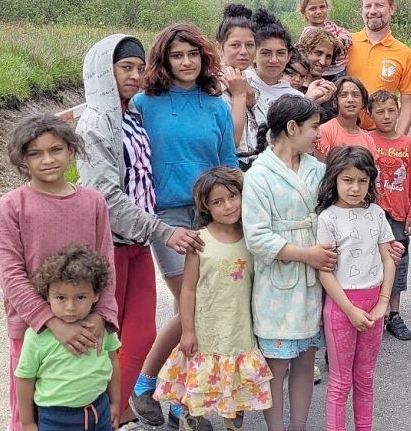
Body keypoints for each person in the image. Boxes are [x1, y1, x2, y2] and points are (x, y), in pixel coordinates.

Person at [76, 34, 204, 428]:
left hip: (136, 242)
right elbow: (107, 197)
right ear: (103, 71)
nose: (133, 75)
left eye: (137, 67)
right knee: (107, 336)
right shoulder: (96, 122)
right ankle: (101, 415)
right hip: (108, 245)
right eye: (124, 68)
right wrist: (162, 230)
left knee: (139, 333)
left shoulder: (130, 114)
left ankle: (113, 410)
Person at [129, 23, 238, 427]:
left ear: (204, 57)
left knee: (193, 306)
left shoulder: (216, 106)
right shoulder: (144, 103)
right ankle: (146, 381)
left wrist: (234, 210)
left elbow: (228, 163)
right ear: (164, 60)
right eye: (177, 55)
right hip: (168, 217)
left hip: (209, 213)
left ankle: (178, 400)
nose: (186, 62)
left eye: (192, 54)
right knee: (192, 302)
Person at [0, 114, 118, 431]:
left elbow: (107, 263)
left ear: (71, 151)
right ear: (22, 160)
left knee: (90, 401)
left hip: (88, 322)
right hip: (32, 327)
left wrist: (101, 315)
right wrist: (50, 322)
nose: (47, 160)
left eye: (56, 149)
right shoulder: (12, 205)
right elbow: (11, 275)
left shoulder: (93, 202)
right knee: (28, 415)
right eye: (35, 153)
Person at [241, 95, 335, 431]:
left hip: (312, 281)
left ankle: (299, 426)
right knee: (275, 367)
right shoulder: (258, 176)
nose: (318, 135)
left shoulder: (318, 169)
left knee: (306, 361)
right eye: (313, 128)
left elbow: (336, 215)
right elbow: (257, 238)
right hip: (277, 283)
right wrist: (306, 254)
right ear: (292, 128)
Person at [155, 167, 273, 431]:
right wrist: (187, 331)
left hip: (241, 329)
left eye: (233, 197)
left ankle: (233, 423)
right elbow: (187, 290)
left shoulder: (252, 237)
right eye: (218, 202)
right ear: (206, 206)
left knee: (238, 390)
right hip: (206, 332)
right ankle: (190, 420)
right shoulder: (200, 241)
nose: (228, 206)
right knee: (200, 387)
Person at [315, 146, 396, 431]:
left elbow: (388, 258)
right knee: (340, 380)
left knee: (365, 377)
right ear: (334, 179)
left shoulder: (376, 213)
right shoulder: (327, 218)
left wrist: (383, 302)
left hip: (374, 304)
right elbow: (325, 272)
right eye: (347, 180)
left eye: (362, 180)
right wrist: (349, 310)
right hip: (341, 307)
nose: (355, 187)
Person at [14, 244, 120, 431]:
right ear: (47, 296)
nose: (70, 307)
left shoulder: (99, 327)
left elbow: (113, 360)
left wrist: (115, 403)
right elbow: (25, 379)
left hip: (99, 410)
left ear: (96, 295)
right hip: (56, 419)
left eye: (80, 297)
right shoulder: (37, 336)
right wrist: (28, 423)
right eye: (61, 298)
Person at [236, 9, 335, 169]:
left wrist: (307, 103)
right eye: (266, 53)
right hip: (240, 167)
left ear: (289, 56)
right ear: (253, 53)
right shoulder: (236, 79)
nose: (274, 60)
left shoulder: (293, 95)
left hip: (279, 173)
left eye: (280, 53)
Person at [367, 90, 411, 340]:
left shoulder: (408, 145)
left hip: (399, 216)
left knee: (398, 262)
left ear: (399, 111)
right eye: (380, 112)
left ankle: (394, 314)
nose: (386, 116)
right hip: (371, 214)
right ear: (369, 115)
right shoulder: (367, 141)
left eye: (391, 110)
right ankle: (369, 310)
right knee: (370, 262)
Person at [346, 0, 411, 133]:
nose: (372, 11)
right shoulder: (346, 44)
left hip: (381, 136)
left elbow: (407, 105)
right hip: (345, 133)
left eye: (379, 5)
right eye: (367, 6)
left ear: (391, 8)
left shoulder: (405, 54)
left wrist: (397, 140)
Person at [214, 4, 260, 166]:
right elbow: (231, 141)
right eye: (235, 45)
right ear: (220, 48)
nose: (243, 51)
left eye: (249, 45)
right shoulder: (213, 87)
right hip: (229, 170)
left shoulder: (250, 81)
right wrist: (239, 95)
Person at [298, 0, 352, 80]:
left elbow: (346, 34)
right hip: (321, 73)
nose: (318, 12)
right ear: (304, 12)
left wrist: (342, 40)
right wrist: (336, 43)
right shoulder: (308, 33)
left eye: (322, 7)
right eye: (312, 8)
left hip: (341, 71)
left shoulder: (331, 25)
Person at [314, 76, 376, 161]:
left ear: (363, 102)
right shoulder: (324, 131)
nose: (350, 99)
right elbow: (320, 170)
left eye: (355, 95)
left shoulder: (368, 140)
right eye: (344, 95)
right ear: (336, 102)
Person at [296, 26, 344, 122]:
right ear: (305, 52)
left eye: (328, 57)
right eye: (318, 53)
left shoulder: (332, 90)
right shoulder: (291, 86)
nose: (322, 62)